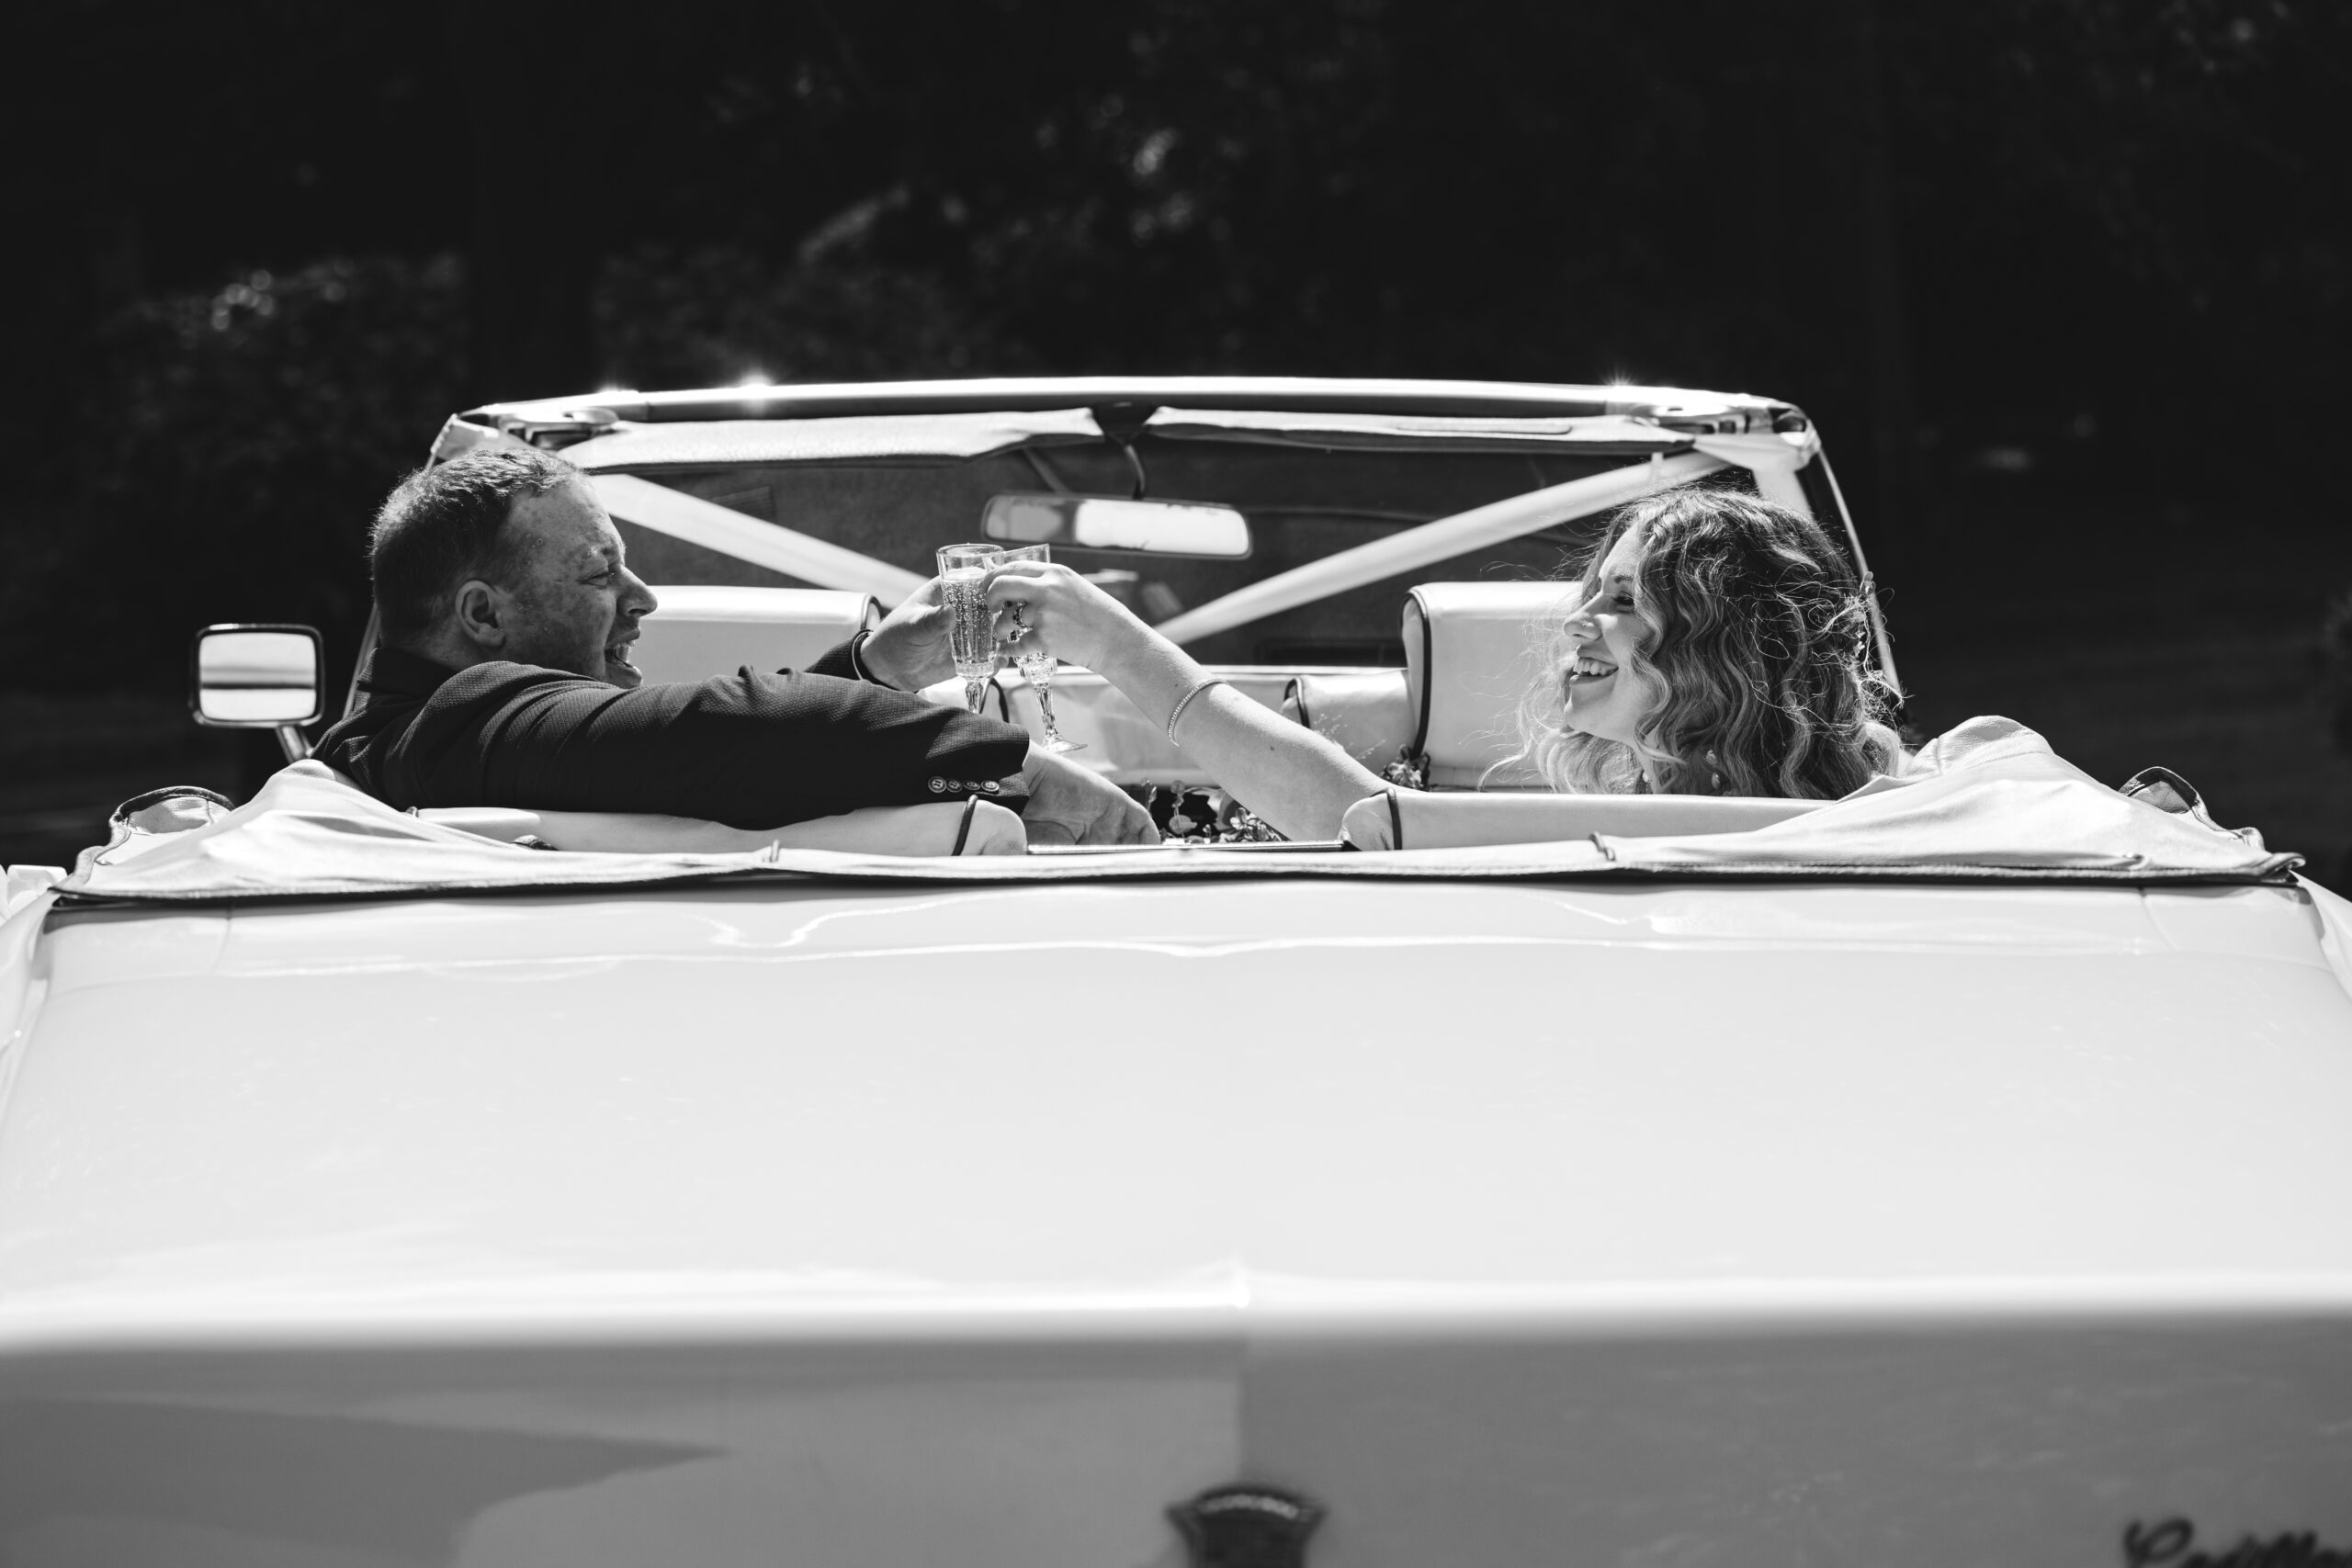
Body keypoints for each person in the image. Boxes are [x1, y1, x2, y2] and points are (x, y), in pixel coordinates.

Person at [314, 445, 1155, 845]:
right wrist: (1021, 765)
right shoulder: (458, 721)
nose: (643, 596)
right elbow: (743, 733)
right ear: (482, 617)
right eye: (600, 573)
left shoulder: (401, 745)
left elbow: (684, 744)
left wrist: (877, 665)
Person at [981, 485, 1900, 840]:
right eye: (1590, 591)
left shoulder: (1848, 828)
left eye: (1625, 602)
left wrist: (1116, 646)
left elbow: (1365, 821)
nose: (1577, 621)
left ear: (1729, 646)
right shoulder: (1794, 812)